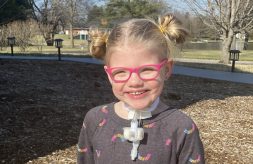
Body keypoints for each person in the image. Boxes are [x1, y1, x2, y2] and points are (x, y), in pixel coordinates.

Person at [77, 14, 205, 164]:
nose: (135, 82)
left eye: (146, 70)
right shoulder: (94, 120)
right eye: (120, 72)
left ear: (166, 69)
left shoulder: (182, 128)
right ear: (110, 75)